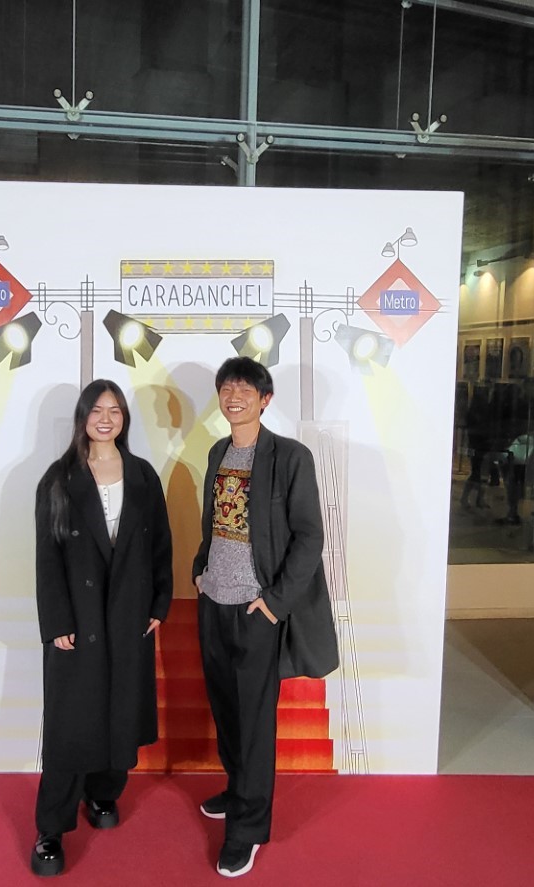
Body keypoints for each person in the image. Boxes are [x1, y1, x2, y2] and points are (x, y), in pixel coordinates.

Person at [190, 357, 339, 878]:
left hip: (257, 609)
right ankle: (239, 790)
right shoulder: (217, 452)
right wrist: (200, 568)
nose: (234, 396)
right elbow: (214, 524)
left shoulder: (290, 457)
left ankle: (247, 830)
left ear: (265, 400)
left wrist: (275, 602)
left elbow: (310, 537)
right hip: (213, 603)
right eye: (227, 388)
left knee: (253, 723)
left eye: (245, 389)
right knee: (226, 711)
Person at [29, 380, 174, 877]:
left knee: (120, 711)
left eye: (115, 410)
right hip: (77, 619)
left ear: (124, 418)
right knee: (70, 724)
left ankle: (102, 793)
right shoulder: (58, 478)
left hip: (130, 615)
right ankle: (50, 828)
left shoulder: (143, 475)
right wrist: (57, 622)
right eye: (96, 410)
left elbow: (161, 545)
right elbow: (46, 558)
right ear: (82, 417)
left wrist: (159, 603)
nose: (106, 418)